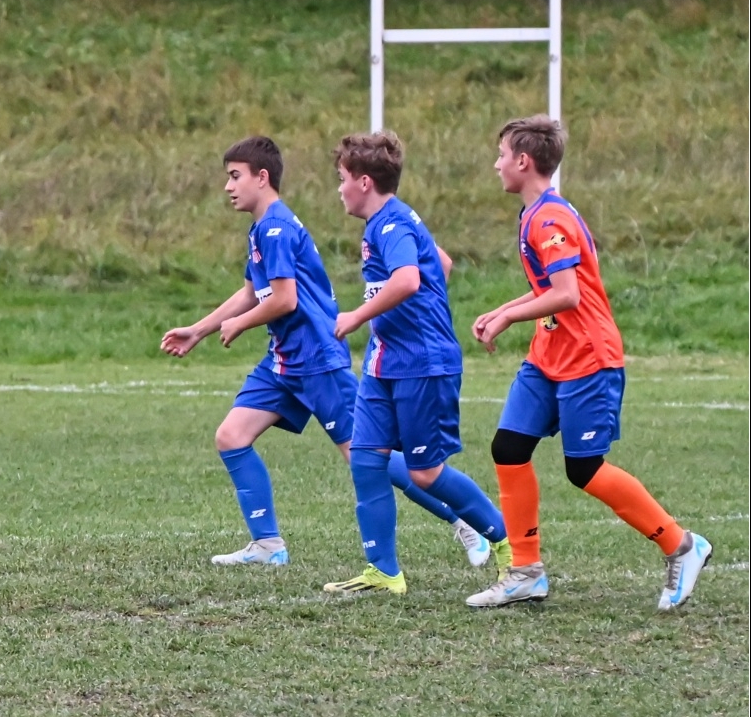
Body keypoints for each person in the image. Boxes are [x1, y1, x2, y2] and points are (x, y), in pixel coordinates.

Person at [161, 136, 496, 568]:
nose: (228, 186)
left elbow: (285, 299)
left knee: (366, 457)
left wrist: (241, 324)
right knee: (231, 436)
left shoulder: (278, 229)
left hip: (317, 358)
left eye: (235, 176)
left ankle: (463, 521)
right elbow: (250, 292)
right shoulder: (262, 228)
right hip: (284, 359)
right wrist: (198, 330)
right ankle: (267, 545)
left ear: (261, 178)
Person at [468, 115, 711, 610]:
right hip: (548, 356)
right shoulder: (536, 213)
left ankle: (682, 545)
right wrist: (502, 310)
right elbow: (549, 288)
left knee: (585, 470)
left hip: (587, 358)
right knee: (509, 447)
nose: (496, 164)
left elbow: (568, 295)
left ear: (523, 161)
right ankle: (525, 572)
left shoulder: (549, 219)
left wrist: (509, 316)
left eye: (501, 155)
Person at [324, 132, 507, 598]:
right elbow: (440, 262)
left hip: (422, 363)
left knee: (425, 473)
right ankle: (384, 571)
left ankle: (509, 545)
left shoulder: (390, 225)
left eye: (342, 179)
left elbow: (408, 279)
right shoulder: (391, 221)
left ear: (364, 182)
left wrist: (358, 316)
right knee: (367, 459)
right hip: (385, 360)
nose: (339, 189)